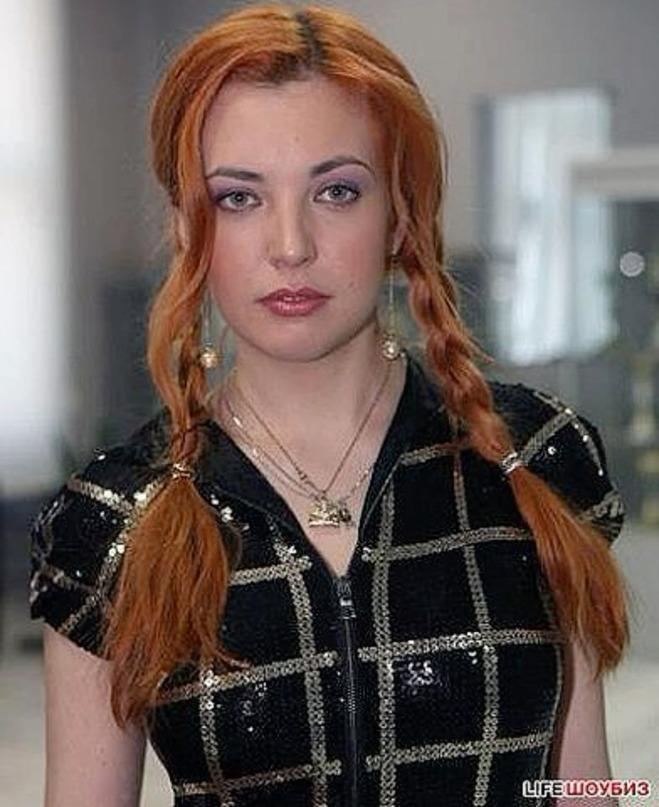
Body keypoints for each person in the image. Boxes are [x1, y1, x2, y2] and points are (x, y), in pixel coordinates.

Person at [30, 4, 628, 806]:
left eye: (336, 191)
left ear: (400, 216)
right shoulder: (112, 520)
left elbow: (586, 784)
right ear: (186, 226)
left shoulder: (535, 460)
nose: (291, 245)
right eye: (238, 197)